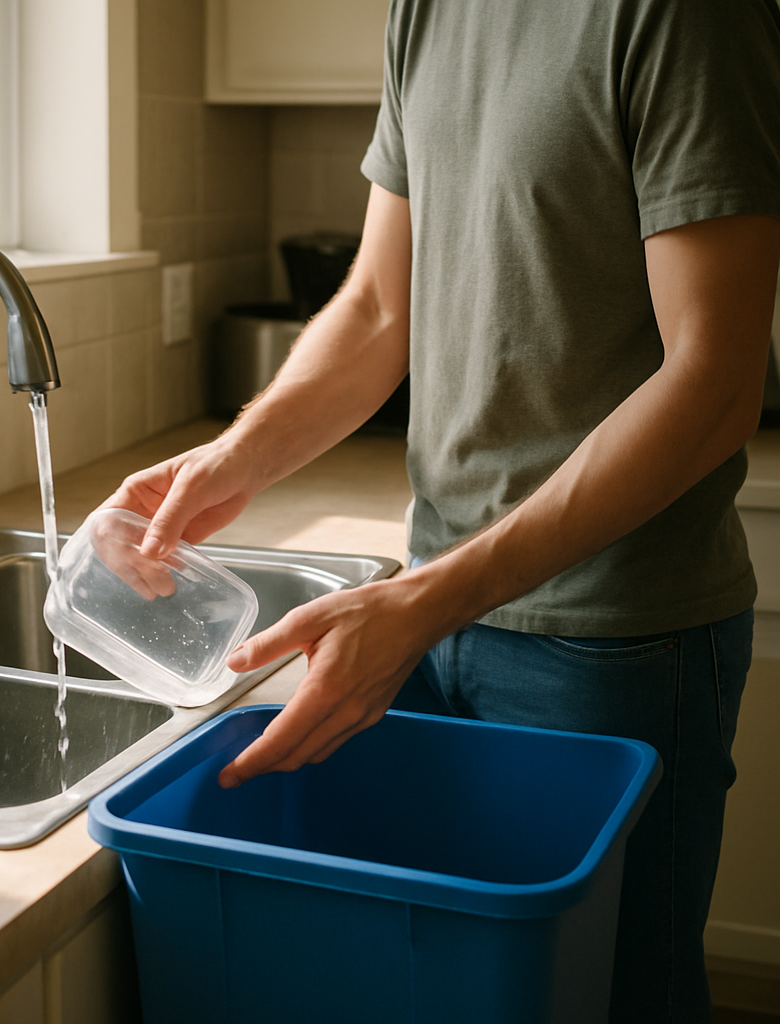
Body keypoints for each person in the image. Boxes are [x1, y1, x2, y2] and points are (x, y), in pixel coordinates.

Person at [101, 0, 780, 1019]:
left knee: (611, 996)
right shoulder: (427, 9)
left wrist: (424, 601)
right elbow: (378, 305)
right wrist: (232, 456)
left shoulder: (681, 16)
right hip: (433, 619)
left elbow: (716, 382)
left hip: (611, 640)